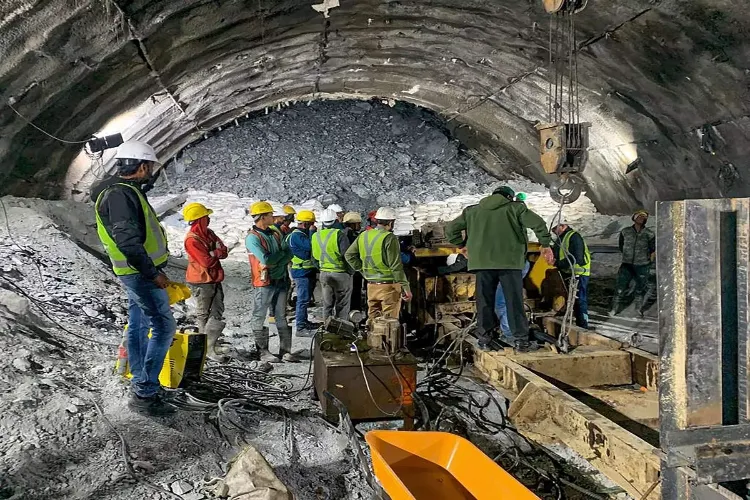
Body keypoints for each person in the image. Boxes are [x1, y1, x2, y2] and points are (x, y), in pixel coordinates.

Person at [92, 140, 176, 416]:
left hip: (136, 274)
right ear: (141, 166)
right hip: (141, 275)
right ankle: (145, 392)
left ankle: (141, 379)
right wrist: (154, 274)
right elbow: (128, 243)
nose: (151, 171)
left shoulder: (124, 191)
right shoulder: (120, 196)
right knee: (163, 327)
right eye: (149, 166)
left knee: (139, 326)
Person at [446, 185, 553, 352]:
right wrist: (545, 244)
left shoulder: (472, 211)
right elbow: (538, 223)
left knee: (484, 302)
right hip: (510, 264)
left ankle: (485, 339)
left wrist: (461, 245)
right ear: (509, 197)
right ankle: (520, 340)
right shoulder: (516, 209)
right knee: (514, 302)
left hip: (482, 265)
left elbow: (451, 229)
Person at [245, 201, 296, 363]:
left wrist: (277, 260)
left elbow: (289, 253)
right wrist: (278, 258)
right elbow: (266, 259)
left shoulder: (274, 233)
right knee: (259, 316)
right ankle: (263, 351)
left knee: (281, 315)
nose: (273, 217)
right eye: (269, 215)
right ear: (262, 217)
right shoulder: (252, 238)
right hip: (264, 283)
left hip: (280, 279)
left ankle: (285, 351)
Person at [345, 207, 412, 321]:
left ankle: (374, 339)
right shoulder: (389, 238)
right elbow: (395, 266)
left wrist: (362, 270)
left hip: (371, 285)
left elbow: (349, 255)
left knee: (373, 321)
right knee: (389, 323)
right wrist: (406, 288)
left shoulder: (364, 235)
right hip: (388, 286)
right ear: (391, 222)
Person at [182, 202, 230, 362]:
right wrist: (216, 252)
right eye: (206, 216)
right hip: (201, 280)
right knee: (203, 313)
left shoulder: (208, 233)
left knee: (218, 310)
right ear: (199, 219)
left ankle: (210, 345)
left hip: (214, 278)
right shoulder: (191, 239)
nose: (208, 218)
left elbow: (223, 251)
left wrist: (214, 252)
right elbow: (206, 262)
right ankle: (203, 349)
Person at [610, 209, 655, 317]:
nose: (642, 219)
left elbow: (653, 249)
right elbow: (621, 246)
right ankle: (614, 309)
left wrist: (649, 261)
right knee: (620, 288)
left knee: (640, 289)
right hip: (627, 264)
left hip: (642, 265)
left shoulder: (649, 234)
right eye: (640, 217)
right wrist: (627, 255)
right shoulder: (625, 232)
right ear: (634, 218)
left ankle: (637, 310)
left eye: (644, 218)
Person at [312, 209, 353, 321]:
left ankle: (327, 330)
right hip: (340, 274)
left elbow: (313, 258)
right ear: (335, 220)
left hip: (324, 274)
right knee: (342, 305)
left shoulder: (316, 236)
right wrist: (350, 271)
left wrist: (321, 268)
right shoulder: (339, 235)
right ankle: (341, 330)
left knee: (327, 304)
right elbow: (347, 256)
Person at [552, 223, 591, 328]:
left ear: (563, 226)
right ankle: (577, 323)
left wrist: (558, 264)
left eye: (555, 229)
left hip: (579, 273)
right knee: (572, 300)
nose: (554, 231)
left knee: (579, 300)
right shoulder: (561, 239)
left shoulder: (574, 236)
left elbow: (576, 257)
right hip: (569, 273)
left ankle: (583, 325)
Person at [287, 209, 319, 336]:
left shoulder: (301, 234)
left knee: (305, 299)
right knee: (302, 299)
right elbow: (312, 246)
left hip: (307, 271)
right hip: (301, 272)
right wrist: (312, 233)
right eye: (311, 223)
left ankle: (304, 321)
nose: (312, 226)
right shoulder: (297, 236)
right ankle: (300, 327)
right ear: (305, 224)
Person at [495, 259, 531, 341]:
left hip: (511, 265)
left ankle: (510, 334)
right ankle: (512, 333)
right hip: (516, 263)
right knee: (507, 301)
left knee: (502, 303)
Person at [343, 212, 364, 312]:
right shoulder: (350, 235)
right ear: (352, 224)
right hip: (353, 270)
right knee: (355, 293)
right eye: (358, 223)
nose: (359, 226)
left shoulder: (343, 233)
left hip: (348, 269)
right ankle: (354, 314)